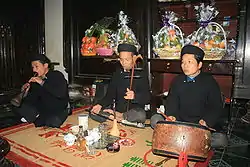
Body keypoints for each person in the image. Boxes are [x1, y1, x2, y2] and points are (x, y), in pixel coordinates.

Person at [151, 44, 228, 148]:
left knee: (221, 140)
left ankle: (183, 141)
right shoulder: (177, 81)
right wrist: (172, 115)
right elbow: (171, 101)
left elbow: (215, 106)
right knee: (155, 119)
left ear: (199, 64)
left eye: (189, 62)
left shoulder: (209, 82)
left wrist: (207, 121)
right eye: (183, 62)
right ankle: (190, 142)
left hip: (199, 127)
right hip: (179, 124)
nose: (185, 65)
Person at [90, 43, 150, 125]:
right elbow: (109, 96)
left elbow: (147, 97)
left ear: (134, 58)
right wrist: (100, 105)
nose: (124, 63)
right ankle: (117, 118)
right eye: (121, 60)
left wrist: (135, 96)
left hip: (133, 113)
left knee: (140, 114)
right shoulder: (117, 74)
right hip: (117, 111)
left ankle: (118, 118)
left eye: (127, 60)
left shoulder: (141, 74)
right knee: (93, 112)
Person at [13, 54, 69, 128]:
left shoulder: (56, 75)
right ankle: (36, 116)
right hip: (42, 109)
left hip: (57, 109)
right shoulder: (36, 80)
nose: (34, 70)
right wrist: (25, 93)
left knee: (53, 121)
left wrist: (42, 82)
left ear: (45, 65)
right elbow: (32, 99)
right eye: (33, 67)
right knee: (17, 106)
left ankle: (35, 117)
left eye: (36, 66)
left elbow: (60, 93)